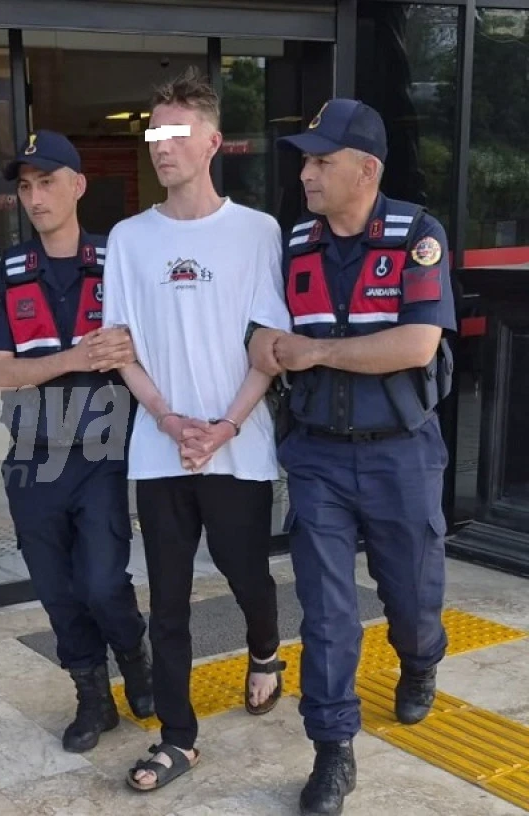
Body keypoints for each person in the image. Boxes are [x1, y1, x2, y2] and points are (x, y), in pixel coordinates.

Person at [251, 98, 455, 816]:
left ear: (366, 170)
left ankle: (420, 659)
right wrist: (269, 346)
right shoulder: (292, 244)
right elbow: (261, 335)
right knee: (327, 613)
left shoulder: (417, 236)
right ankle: (333, 749)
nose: (306, 174)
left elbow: (417, 345)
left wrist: (316, 352)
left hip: (402, 455)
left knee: (412, 598)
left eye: (321, 161)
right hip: (317, 459)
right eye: (305, 161)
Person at [100, 67, 290, 792]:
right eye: (154, 133)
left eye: (177, 133)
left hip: (238, 447)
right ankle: (178, 738)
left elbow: (269, 344)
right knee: (169, 601)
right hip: (161, 450)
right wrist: (168, 417)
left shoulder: (256, 232)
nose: (162, 145)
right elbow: (120, 345)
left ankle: (265, 649)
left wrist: (225, 425)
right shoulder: (129, 238)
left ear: (213, 142)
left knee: (247, 575)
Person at [0, 129, 154, 753]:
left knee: (102, 581)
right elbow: (0, 374)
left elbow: (148, 346)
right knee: (57, 590)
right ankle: (92, 697)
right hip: (31, 457)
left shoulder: (116, 263)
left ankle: (135, 658)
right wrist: (75, 358)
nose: (35, 198)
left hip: (101, 453)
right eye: (26, 187)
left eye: (47, 183)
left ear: (78, 185)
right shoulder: (8, 274)